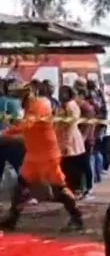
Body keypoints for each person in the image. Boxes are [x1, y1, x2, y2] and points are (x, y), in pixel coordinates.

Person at [0, 81, 83, 231]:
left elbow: (26, 125)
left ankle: (77, 218)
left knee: (59, 189)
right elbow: (25, 128)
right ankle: (12, 219)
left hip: (47, 155)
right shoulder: (29, 106)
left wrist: (6, 132)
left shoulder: (41, 104)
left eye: (22, 96)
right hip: (33, 155)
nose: (20, 100)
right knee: (20, 185)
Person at [56, 85, 87, 197]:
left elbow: (71, 125)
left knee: (73, 166)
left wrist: (67, 144)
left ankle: (76, 190)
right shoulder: (63, 105)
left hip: (71, 139)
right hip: (63, 138)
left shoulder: (71, 106)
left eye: (64, 92)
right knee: (66, 166)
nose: (61, 94)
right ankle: (69, 190)